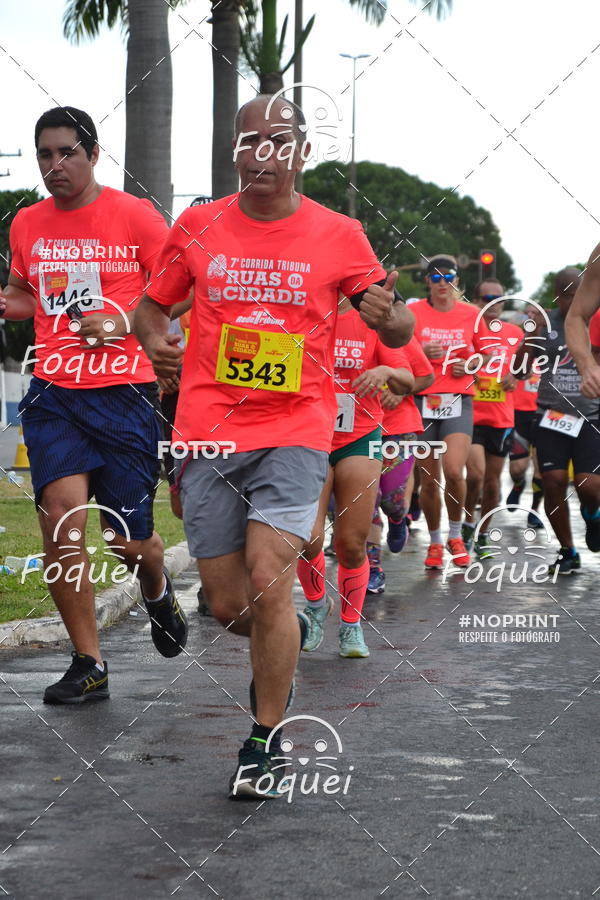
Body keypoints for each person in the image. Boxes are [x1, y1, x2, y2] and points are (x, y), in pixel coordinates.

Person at [134, 95, 414, 799]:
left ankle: (265, 741)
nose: (263, 153)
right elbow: (150, 306)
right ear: (235, 151)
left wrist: (394, 315)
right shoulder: (199, 226)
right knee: (232, 604)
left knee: (269, 575)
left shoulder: (340, 233)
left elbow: (401, 326)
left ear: (301, 154)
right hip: (209, 433)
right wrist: (156, 344)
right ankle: (283, 636)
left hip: (296, 430)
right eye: (249, 140)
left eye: (279, 142)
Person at [0, 106, 188, 704]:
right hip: (54, 388)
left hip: (125, 391)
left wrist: (126, 321)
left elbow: (180, 293)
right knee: (59, 515)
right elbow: (29, 297)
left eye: (66, 154)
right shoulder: (27, 223)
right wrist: (8, 303)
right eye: (44, 155)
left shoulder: (134, 215)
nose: (55, 166)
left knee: (127, 542)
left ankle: (156, 586)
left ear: (93, 154)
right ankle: (89, 661)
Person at [297, 296, 414, 654]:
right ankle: (317, 606)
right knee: (308, 537)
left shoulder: (373, 320)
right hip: (305, 435)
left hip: (359, 435)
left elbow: (408, 378)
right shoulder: (303, 309)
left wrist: (386, 372)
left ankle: (351, 626)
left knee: (351, 542)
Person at [516, 267, 600, 573]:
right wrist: (529, 337)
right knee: (552, 482)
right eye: (564, 295)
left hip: (591, 416)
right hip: (551, 416)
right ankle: (568, 550)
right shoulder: (545, 321)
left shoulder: (595, 319)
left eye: (575, 293)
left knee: (588, 485)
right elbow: (519, 371)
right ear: (556, 294)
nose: (569, 301)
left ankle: (592, 514)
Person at [411, 255, 489, 569]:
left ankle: (455, 535)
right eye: (436, 277)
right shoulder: (413, 313)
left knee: (455, 471)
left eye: (448, 276)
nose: (442, 282)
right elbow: (394, 349)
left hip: (458, 399)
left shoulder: (471, 313)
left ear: (456, 280)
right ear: (427, 281)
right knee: (429, 480)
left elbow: (486, 357)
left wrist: (469, 364)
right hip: (423, 400)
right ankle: (434, 543)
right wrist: (419, 351)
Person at [366, 335, 434, 593]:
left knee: (391, 500)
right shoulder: (334, 323)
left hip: (398, 426)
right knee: (367, 497)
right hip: (356, 427)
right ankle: (373, 567)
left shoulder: (394, 331)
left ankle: (398, 518)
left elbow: (427, 377)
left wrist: (400, 389)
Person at [462, 281, 521, 557]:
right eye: (488, 298)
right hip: (471, 414)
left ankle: (483, 534)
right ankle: (466, 524)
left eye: (500, 298)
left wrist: (514, 377)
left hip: (501, 418)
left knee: (493, 483)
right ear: (477, 300)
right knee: (475, 476)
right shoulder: (468, 328)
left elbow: (523, 368)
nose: (495, 303)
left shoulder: (515, 333)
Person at [506, 306, 545, 528]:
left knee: (542, 468)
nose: (531, 317)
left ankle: (534, 510)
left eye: (536, 313)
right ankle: (518, 485)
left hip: (543, 413)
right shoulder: (516, 342)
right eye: (527, 313)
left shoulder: (551, 345)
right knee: (517, 469)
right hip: (518, 414)